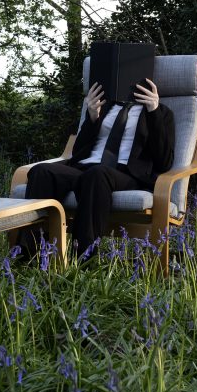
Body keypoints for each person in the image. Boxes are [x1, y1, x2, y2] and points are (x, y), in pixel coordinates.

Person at [23, 78, 175, 258]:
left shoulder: (161, 112)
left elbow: (164, 161)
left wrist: (153, 111)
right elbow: (78, 152)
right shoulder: (104, 107)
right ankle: (28, 255)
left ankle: (83, 259)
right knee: (42, 171)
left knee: (97, 174)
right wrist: (93, 117)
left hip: (126, 174)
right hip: (86, 168)